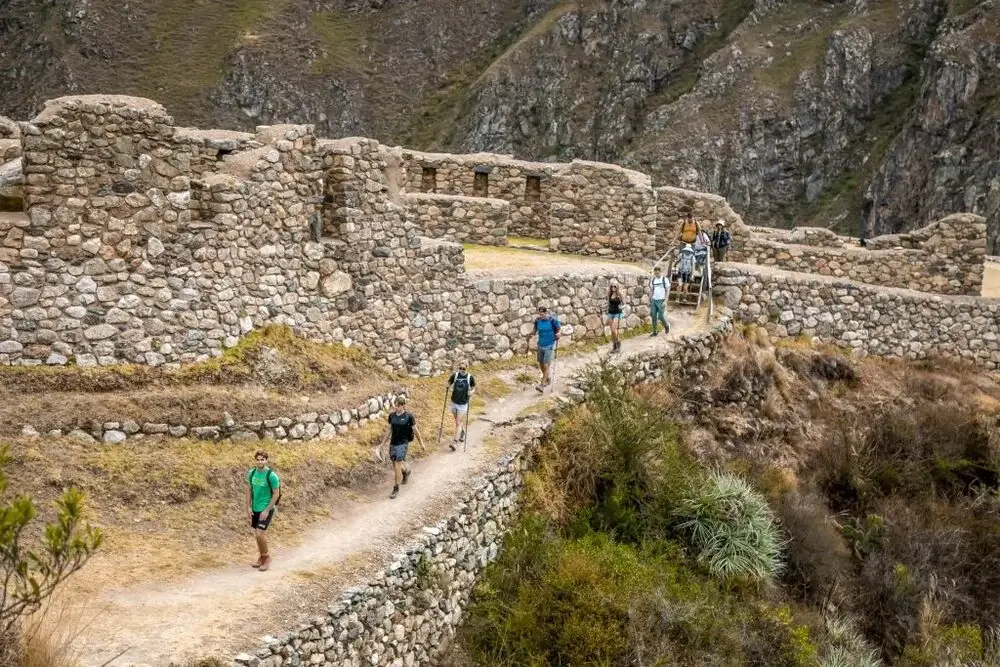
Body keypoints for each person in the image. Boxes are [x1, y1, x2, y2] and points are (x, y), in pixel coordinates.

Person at [380, 396, 426, 499]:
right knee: (396, 464)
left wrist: (421, 443)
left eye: (398, 406)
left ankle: (396, 488)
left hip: (403, 443)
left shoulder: (409, 416)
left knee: (397, 464)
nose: (396, 407)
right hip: (393, 443)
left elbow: (416, 430)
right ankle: (406, 471)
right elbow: (389, 430)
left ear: (403, 406)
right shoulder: (391, 416)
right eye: (395, 405)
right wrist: (383, 443)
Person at [246, 450, 281, 572]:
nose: (260, 461)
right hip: (255, 508)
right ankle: (261, 557)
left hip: (266, 509)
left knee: (259, 533)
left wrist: (266, 510)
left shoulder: (271, 475)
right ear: (255, 460)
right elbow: (249, 491)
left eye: (262, 459)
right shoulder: (252, 473)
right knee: (257, 534)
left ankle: (266, 558)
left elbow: (276, 494)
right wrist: (248, 507)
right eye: (258, 459)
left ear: (266, 460)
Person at [527, 305, 560, 392]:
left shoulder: (552, 320)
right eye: (540, 313)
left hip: (549, 344)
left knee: (546, 364)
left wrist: (558, 334)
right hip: (540, 345)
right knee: (541, 364)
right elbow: (535, 330)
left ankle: (542, 384)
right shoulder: (538, 321)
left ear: (546, 313)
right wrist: (530, 334)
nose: (541, 315)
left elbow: (558, 328)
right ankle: (547, 378)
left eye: (543, 313)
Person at [447, 362, 476, 450]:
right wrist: (447, 385)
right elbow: (449, 382)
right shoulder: (455, 375)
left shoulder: (469, 377)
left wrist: (471, 392)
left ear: (467, 368)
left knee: (458, 422)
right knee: (457, 421)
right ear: (459, 368)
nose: (462, 370)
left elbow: (474, 387)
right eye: (460, 368)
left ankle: (454, 442)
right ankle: (462, 432)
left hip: (463, 404)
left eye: (464, 368)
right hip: (454, 402)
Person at [649, 266, 670, 337]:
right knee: (654, 316)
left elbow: (667, 291)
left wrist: (665, 301)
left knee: (661, 316)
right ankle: (655, 331)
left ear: (660, 272)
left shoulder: (665, 279)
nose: (657, 274)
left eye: (658, 273)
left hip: (661, 300)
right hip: (654, 300)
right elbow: (652, 290)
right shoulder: (653, 280)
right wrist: (650, 299)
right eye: (655, 273)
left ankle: (666, 325)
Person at [606, 283, 624, 352]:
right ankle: (614, 346)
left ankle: (618, 343)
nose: (613, 288)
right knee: (612, 331)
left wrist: (621, 307)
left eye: (615, 286)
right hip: (610, 313)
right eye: (612, 286)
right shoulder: (610, 294)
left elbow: (624, 303)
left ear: (617, 287)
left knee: (614, 329)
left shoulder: (619, 294)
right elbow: (608, 303)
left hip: (617, 313)